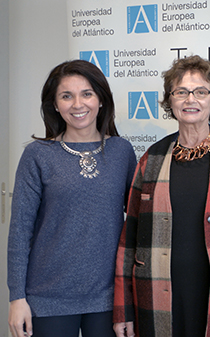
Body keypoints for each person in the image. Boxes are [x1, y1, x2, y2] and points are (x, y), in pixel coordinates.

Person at [113, 55, 210, 337]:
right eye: (180, 92)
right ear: (170, 101)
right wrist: (123, 308)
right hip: (156, 299)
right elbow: (130, 238)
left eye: (200, 91)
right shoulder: (152, 159)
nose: (190, 99)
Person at [7, 60, 137, 337]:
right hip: (48, 297)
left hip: (107, 297)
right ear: (55, 104)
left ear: (101, 99)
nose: (78, 104)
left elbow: (137, 222)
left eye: (87, 93)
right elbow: (19, 231)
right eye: (66, 96)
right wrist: (17, 298)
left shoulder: (121, 152)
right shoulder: (38, 155)